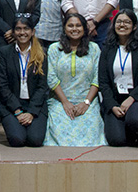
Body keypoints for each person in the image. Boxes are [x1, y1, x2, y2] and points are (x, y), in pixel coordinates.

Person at [44, 12, 105, 146]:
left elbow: (97, 77)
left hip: (87, 100)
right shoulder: (54, 48)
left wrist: (86, 102)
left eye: (78, 26)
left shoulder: (94, 49)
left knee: (92, 135)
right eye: (70, 26)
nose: (74, 29)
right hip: (60, 100)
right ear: (64, 29)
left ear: (84, 29)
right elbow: (51, 77)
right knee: (59, 132)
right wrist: (65, 102)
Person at [0, 16, 49, 147]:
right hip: (11, 104)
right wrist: (17, 111)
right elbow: (2, 85)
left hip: (34, 105)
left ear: (33, 31)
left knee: (35, 140)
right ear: (13, 32)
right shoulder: (4, 52)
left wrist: (31, 113)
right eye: (18, 29)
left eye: (26, 29)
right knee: (17, 140)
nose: (22, 32)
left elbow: (42, 87)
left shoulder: (42, 53)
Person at [99, 9, 138, 147]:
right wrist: (112, 105)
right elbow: (103, 81)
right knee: (116, 140)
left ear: (134, 26)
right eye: (119, 21)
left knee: (137, 121)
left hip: (136, 97)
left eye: (127, 22)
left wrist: (132, 98)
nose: (122, 25)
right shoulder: (107, 48)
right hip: (115, 98)